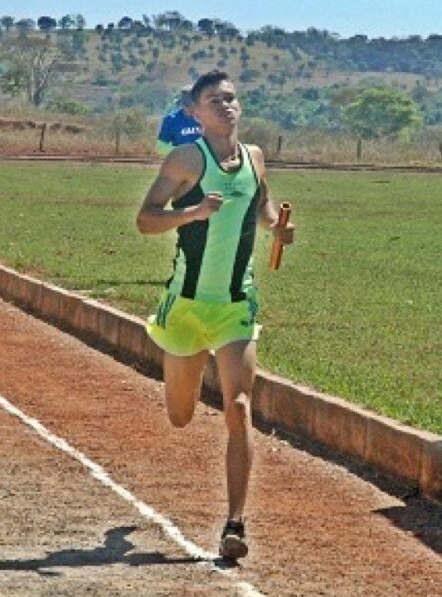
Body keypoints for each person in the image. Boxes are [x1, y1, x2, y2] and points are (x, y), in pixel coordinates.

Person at [136, 70, 295, 560]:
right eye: (214, 99)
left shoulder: (255, 158)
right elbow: (146, 220)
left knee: (240, 407)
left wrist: (277, 231)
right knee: (181, 416)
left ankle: (235, 524)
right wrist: (191, 214)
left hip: (235, 306)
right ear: (194, 112)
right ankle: (181, 375)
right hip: (185, 307)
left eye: (231, 98)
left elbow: (261, 205)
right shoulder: (185, 158)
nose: (226, 105)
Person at [155, 87, 203, 156]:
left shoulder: (207, 118)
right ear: (182, 104)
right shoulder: (171, 120)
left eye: (192, 106)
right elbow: (160, 147)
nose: (189, 109)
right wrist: (181, 152)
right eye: (186, 105)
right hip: (181, 162)